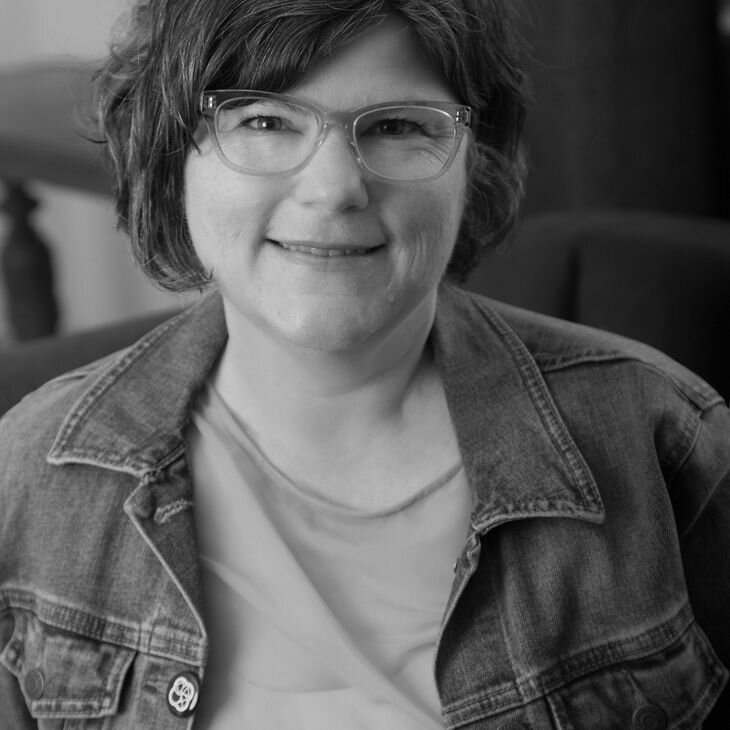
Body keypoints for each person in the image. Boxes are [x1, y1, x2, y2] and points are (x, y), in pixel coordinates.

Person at [1, 0, 728, 727]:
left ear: (474, 163)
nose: (334, 189)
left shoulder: (666, 442)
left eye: (399, 126)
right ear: (170, 156)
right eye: (264, 122)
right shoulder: (29, 479)